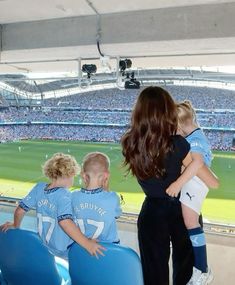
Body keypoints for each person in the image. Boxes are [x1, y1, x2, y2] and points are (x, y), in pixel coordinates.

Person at [121, 86, 218, 285]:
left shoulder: (130, 143)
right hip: (182, 210)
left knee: (153, 275)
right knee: (186, 274)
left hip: (152, 213)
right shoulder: (179, 144)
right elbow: (211, 181)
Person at [0, 153, 104, 259]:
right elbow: (65, 222)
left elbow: (20, 211)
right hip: (64, 249)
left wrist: (15, 225)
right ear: (70, 174)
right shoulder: (65, 195)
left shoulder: (39, 188)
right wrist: (87, 243)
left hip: (44, 245)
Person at [166, 101, 219, 285]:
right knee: (189, 222)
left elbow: (197, 164)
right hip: (193, 181)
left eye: (174, 128)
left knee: (191, 223)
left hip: (195, 182)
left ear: (180, 125)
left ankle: (202, 269)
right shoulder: (196, 135)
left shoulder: (195, 139)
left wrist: (177, 184)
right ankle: (201, 268)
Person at [72, 152, 121, 243]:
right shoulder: (113, 197)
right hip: (108, 250)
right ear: (106, 175)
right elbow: (117, 215)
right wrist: (106, 188)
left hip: (81, 248)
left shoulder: (73, 196)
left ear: (83, 175)